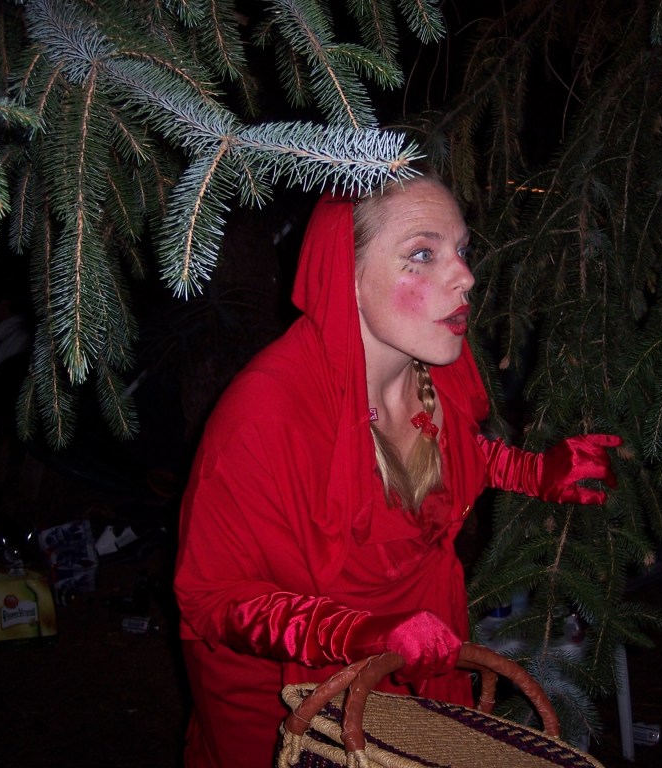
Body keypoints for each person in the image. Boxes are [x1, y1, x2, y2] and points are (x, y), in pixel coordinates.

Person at [173, 170, 621, 768]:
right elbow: (213, 597)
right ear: (347, 275)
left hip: (418, 660)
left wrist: (535, 473)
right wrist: (362, 631)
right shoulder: (264, 416)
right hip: (293, 699)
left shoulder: (429, 369)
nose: (464, 275)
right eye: (422, 254)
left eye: (460, 250)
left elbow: (437, 467)